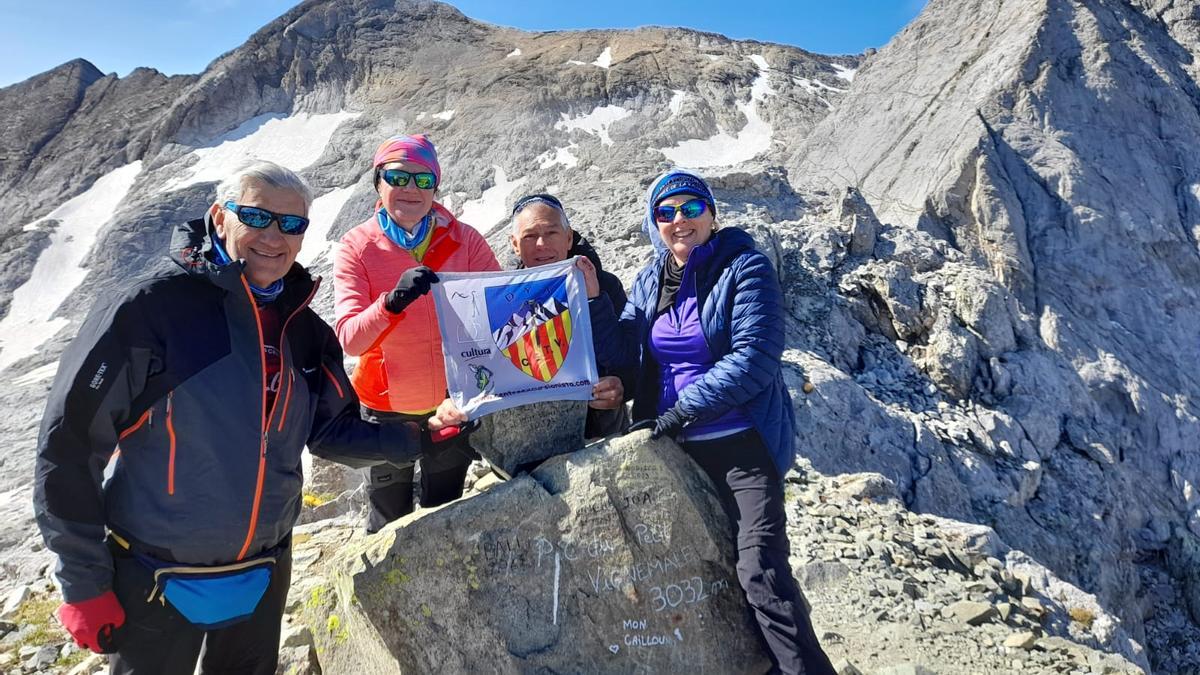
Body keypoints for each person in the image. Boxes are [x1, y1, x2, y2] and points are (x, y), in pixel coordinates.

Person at [33, 161, 456, 674]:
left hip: (263, 568)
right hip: (153, 573)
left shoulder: (302, 327)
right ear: (219, 216)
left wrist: (421, 436)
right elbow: (69, 445)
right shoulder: (150, 309)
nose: (274, 237)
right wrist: (84, 583)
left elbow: (329, 431)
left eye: (292, 225)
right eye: (256, 217)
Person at [577, 169, 835, 675]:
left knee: (760, 570)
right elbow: (627, 353)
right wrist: (593, 300)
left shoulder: (746, 267)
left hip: (741, 447)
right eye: (666, 212)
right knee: (697, 574)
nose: (679, 220)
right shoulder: (651, 278)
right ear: (655, 223)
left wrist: (678, 413)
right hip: (675, 453)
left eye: (691, 208)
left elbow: (755, 359)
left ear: (712, 213)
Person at [333, 134, 500, 532]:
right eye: (397, 176)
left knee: (445, 512)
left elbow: (501, 310)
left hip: (451, 403)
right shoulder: (356, 247)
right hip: (385, 411)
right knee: (389, 520)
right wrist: (391, 303)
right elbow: (351, 339)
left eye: (423, 179)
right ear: (378, 183)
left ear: (436, 187)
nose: (410, 188)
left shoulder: (466, 240)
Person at [508, 193, 631, 439]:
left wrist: (621, 387)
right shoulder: (503, 297)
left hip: (600, 429)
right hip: (529, 434)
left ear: (569, 238)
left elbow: (626, 360)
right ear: (515, 244)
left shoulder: (605, 285)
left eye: (552, 233)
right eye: (530, 236)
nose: (541, 244)